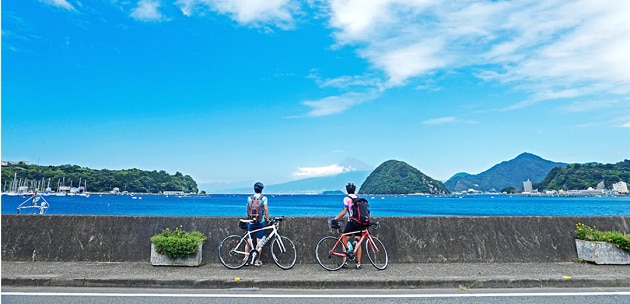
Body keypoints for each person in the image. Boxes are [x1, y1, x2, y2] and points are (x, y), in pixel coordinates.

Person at [331, 182, 367, 269]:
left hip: (351, 222)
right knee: (358, 243)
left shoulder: (346, 198)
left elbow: (344, 212)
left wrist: (335, 219)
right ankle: (358, 263)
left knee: (344, 240)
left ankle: (345, 262)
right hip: (359, 222)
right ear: (354, 190)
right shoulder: (358, 198)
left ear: (347, 190)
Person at [246, 181, 269, 266]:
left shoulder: (249, 198)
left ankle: (245, 259)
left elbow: (247, 209)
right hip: (260, 221)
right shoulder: (264, 198)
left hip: (251, 221)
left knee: (249, 240)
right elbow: (265, 209)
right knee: (259, 241)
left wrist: (250, 218)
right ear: (261, 189)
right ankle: (257, 260)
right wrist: (267, 218)